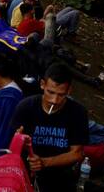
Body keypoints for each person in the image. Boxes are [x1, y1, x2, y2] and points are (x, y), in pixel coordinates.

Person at [11, 64, 89, 192]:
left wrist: (44, 162)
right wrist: (18, 141)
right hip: (26, 173)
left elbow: (77, 153)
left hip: (60, 178)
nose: (54, 100)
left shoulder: (78, 113)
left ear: (69, 91)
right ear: (42, 84)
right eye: (50, 92)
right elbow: (11, 146)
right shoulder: (26, 107)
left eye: (61, 95)